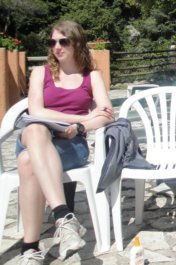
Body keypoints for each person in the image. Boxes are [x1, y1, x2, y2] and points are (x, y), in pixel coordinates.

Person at [17, 21, 114, 264]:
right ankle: (63, 216)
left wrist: (81, 128)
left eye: (63, 41)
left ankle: (30, 249)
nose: (57, 46)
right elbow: (36, 111)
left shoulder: (91, 76)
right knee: (36, 127)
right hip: (36, 136)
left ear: (77, 43)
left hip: (70, 144)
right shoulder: (40, 73)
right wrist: (80, 117)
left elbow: (106, 114)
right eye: (53, 42)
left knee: (27, 162)